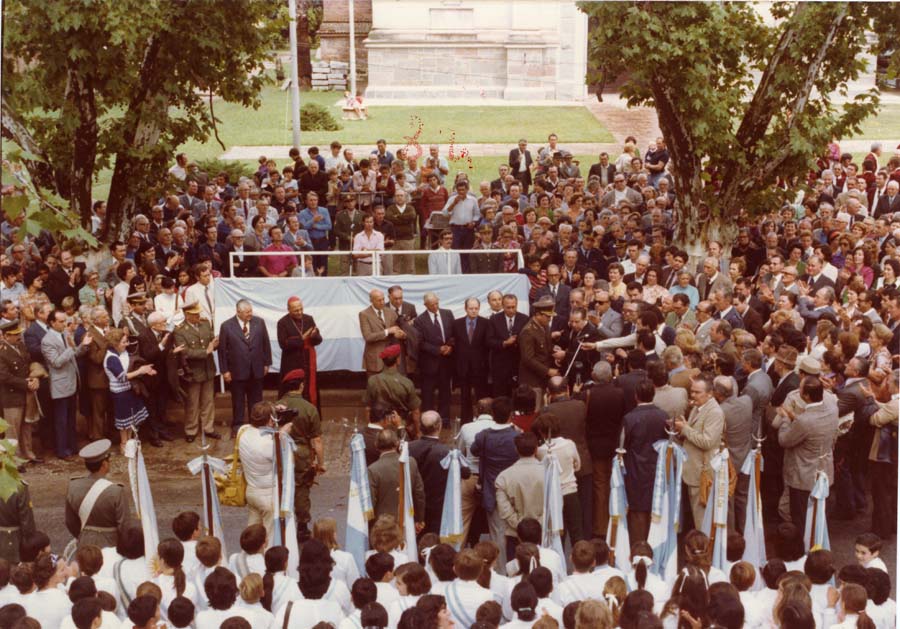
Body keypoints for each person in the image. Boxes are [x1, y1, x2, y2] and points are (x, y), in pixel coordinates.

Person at [778, 376, 839, 532]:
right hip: (824, 469)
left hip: (804, 476)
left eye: (799, 388)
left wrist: (785, 418)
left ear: (806, 396)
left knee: (801, 519)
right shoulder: (832, 406)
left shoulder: (805, 421)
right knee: (819, 515)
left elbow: (784, 440)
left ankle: (802, 545)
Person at [276, 370, 325, 543]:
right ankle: (302, 526)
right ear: (301, 386)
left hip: (281, 450)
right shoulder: (309, 408)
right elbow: (317, 440)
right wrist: (321, 462)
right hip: (302, 453)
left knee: (281, 485)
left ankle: (281, 519)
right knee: (302, 489)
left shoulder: (277, 406)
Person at [471, 397, 520, 572]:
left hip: (492, 489)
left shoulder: (483, 436)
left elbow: (473, 450)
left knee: (497, 532)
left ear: (492, 414)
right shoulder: (517, 436)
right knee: (518, 530)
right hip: (514, 488)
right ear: (510, 415)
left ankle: (499, 571)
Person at [675, 375, 725, 530]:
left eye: (697, 392)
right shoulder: (698, 407)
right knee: (697, 517)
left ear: (709, 394)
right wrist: (682, 429)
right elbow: (694, 434)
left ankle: (703, 544)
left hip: (702, 473)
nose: (693, 395)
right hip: (692, 470)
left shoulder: (715, 412)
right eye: (692, 391)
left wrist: (685, 429)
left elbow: (707, 442)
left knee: (702, 521)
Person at [622, 378, 668, 543]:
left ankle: (639, 547)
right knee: (656, 509)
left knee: (637, 511)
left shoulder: (629, 418)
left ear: (636, 396)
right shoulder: (663, 415)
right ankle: (654, 544)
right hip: (657, 468)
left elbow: (622, 445)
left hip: (636, 469)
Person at [41, 307, 92, 458]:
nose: (64, 324)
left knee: (71, 418)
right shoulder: (47, 340)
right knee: (61, 420)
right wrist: (70, 348)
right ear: (52, 322)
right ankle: (62, 450)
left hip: (72, 381)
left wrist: (83, 345)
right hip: (60, 384)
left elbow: (74, 353)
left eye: (65, 321)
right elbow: (56, 362)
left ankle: (73, 446)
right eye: (61, 321)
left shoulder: (65, 334)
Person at [218, 299, 272, 437]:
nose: (250, 314)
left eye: (251, 311)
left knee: (257, 401)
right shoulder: (226, 326)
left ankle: (258, 425)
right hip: (236, 372)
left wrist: (267, 363)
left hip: (256, 370)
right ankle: (238, 427)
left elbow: (265, 343)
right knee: (238, 402)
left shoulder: (259, 322)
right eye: (247, 312)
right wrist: (225, 371)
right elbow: (222, 351)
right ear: (238, 312)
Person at [65, 439, 128, 550]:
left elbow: (70, 522)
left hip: (85, 545)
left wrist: (83, 536)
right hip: (111, 545)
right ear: (104, 464)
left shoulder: (73, 486)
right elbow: (124, 526)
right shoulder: (116, 491)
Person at [495, 432, 545, 560]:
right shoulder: (549, 474)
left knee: (515, 570)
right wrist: (538, 525)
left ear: (516, 449)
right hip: (542, 533)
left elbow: (504, 510)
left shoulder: (504, 477)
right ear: (536, 449)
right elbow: (555, 505)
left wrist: (520, 526)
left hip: (515, 534)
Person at [174, 301, 219, 443]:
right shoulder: (180, 331)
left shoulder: (205, 324)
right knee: (192, 403)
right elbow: (185, 352)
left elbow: (211, 341)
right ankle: (191, 430)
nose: (198, 316)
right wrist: (206, 352)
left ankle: (208, 428)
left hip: (208, 369)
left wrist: (215, 343)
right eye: (194, 315)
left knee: (208, 401)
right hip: (193, 372)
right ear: (187, 315)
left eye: (198, 314)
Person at [103, 328, 154, 453]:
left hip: (128, 390)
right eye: (124, 342)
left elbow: (130, 366)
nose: (127, 344)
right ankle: (124, 444)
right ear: (115, 343)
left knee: (131, 418)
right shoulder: (111, 358)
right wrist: (140, 371)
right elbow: (122, 377)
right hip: (120, 393)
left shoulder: (121, 353)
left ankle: (130, 441)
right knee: (124, 420)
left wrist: (144, 370)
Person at [0, 320, 40, 464]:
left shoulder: (21, 346)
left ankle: (28, 454)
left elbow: (28, 365)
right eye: (15, 335)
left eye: (19, 334)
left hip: (26, 394)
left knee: (26, 425)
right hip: (12, 396)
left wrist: (34, 378)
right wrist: (25, 383)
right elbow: (4, 376)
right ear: (6, 336)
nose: (19, 337)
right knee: (13, 430)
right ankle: (14, 460)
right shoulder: (2, 352)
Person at [368, 428, 425, 527]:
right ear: (397, 443)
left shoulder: (372, 470)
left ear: (376, 445)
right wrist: (419, 520)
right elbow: (419, 494)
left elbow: (371, 502)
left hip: (383, 526)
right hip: (407, 521)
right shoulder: (411, 462)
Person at [413, 292, 455, 421]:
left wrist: (450, 346)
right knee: (428, 395)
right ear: (425, 305)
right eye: (432, 305)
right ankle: (428, 422)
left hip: (446, 362)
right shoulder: (419, 320)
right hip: (429, 364)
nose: (435, 306)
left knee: (445, 393)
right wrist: (438, 350)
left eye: (437, 303)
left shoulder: (448, 314)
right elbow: (420, 343)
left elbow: (454, 334)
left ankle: (445, 420)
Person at [364, 346, 421, 438]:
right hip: (400, 425)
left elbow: (368, 409)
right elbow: (416, 412)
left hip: (380, 425)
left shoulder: (372, 380)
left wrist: (370, 428)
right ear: (398, 360)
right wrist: (418, 432)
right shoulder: (406, 383)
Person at [276, 296, 322, 399]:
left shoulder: (309, 319)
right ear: (289, 309)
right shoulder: (282, 323)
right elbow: (283, 344)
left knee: (309, 389)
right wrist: (301, 339)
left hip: (307, 360)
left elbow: (318, 340)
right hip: (291, 362)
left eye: (301, 309)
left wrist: (315, 336)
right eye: (296, 310)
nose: (300, 312)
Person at [452, 297, 489, 423]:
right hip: (463, 366)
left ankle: (482, 421)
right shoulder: (457, 324)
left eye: (476, 308)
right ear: (465, 309)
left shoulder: (486, 323)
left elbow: (487, 345)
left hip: (480, 366)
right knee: (465, 396)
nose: (473, 311)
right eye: (471, 308)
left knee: (481, 395)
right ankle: (466, 422)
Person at [487, 294, 529, 398]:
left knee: (518, 395)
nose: (511, 310)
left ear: (517, 305)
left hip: (517, 364)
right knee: (500, 396)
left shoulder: (524, 319)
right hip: (500, 365)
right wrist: (504, 343)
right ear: (503, 306)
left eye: (513, 307)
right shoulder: (494, 319)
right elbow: (489, 341)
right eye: (508, 307)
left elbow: (528, 340)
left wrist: (517, 341)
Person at [518, 296, 559, 399]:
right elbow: (528, 359)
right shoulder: (528, 331)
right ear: (537, 315)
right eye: (547, 316)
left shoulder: (545, 326)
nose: (550, 319)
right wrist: (547, 371)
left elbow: (545, 346)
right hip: (532, 379)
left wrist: (554, 350)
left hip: (543, 377)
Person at [358, 289, 405, 376]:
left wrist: (401, 334)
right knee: (374, 384)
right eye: (379, 300)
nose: (382, 302)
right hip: (375, 360)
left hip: (392, 359)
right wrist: (387, 331)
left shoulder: (391, 312)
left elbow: (397, 330)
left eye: (383, 299)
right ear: (371, 300)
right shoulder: (364, 314)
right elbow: (368, 337)